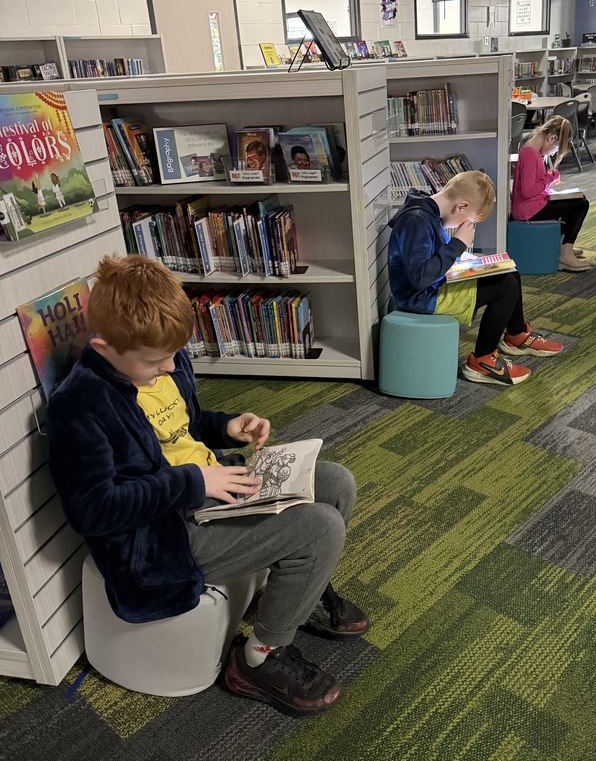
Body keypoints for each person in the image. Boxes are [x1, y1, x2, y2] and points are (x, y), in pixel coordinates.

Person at [47, 254, 368, 718]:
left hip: (209, 489)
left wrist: (226, 427)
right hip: (162, 535)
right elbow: (93, 510)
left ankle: (300, 595)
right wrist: (192, 482)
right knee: (320, 528)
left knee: (337, 482)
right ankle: (259, 659)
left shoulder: (161, 361)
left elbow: (183, 425)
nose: (167, 368)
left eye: (171, 356)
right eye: (155, 361)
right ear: (103, 346)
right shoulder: (79, 405)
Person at [387, 170, 563, 388]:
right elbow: (420, 277)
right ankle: (482, 360)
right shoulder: (416, 221)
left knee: (509, 270)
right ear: (460, 207)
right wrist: (458, 243)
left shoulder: (428, 210)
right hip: (422, 297)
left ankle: (516, 335)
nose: (466, 227)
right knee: (504, 287)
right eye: (469, 221)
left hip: (437, 282)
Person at [511, 115, 591, 272]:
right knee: (581, 205)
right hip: (528, 210)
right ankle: (565, 252)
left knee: (577, 201)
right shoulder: (530, 154)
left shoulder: (532, 152)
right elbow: (528, 191)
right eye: (556, 148)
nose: (554, 152)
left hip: (531, 206)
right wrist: (550, 177)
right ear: (552, 138)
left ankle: (563, 246)